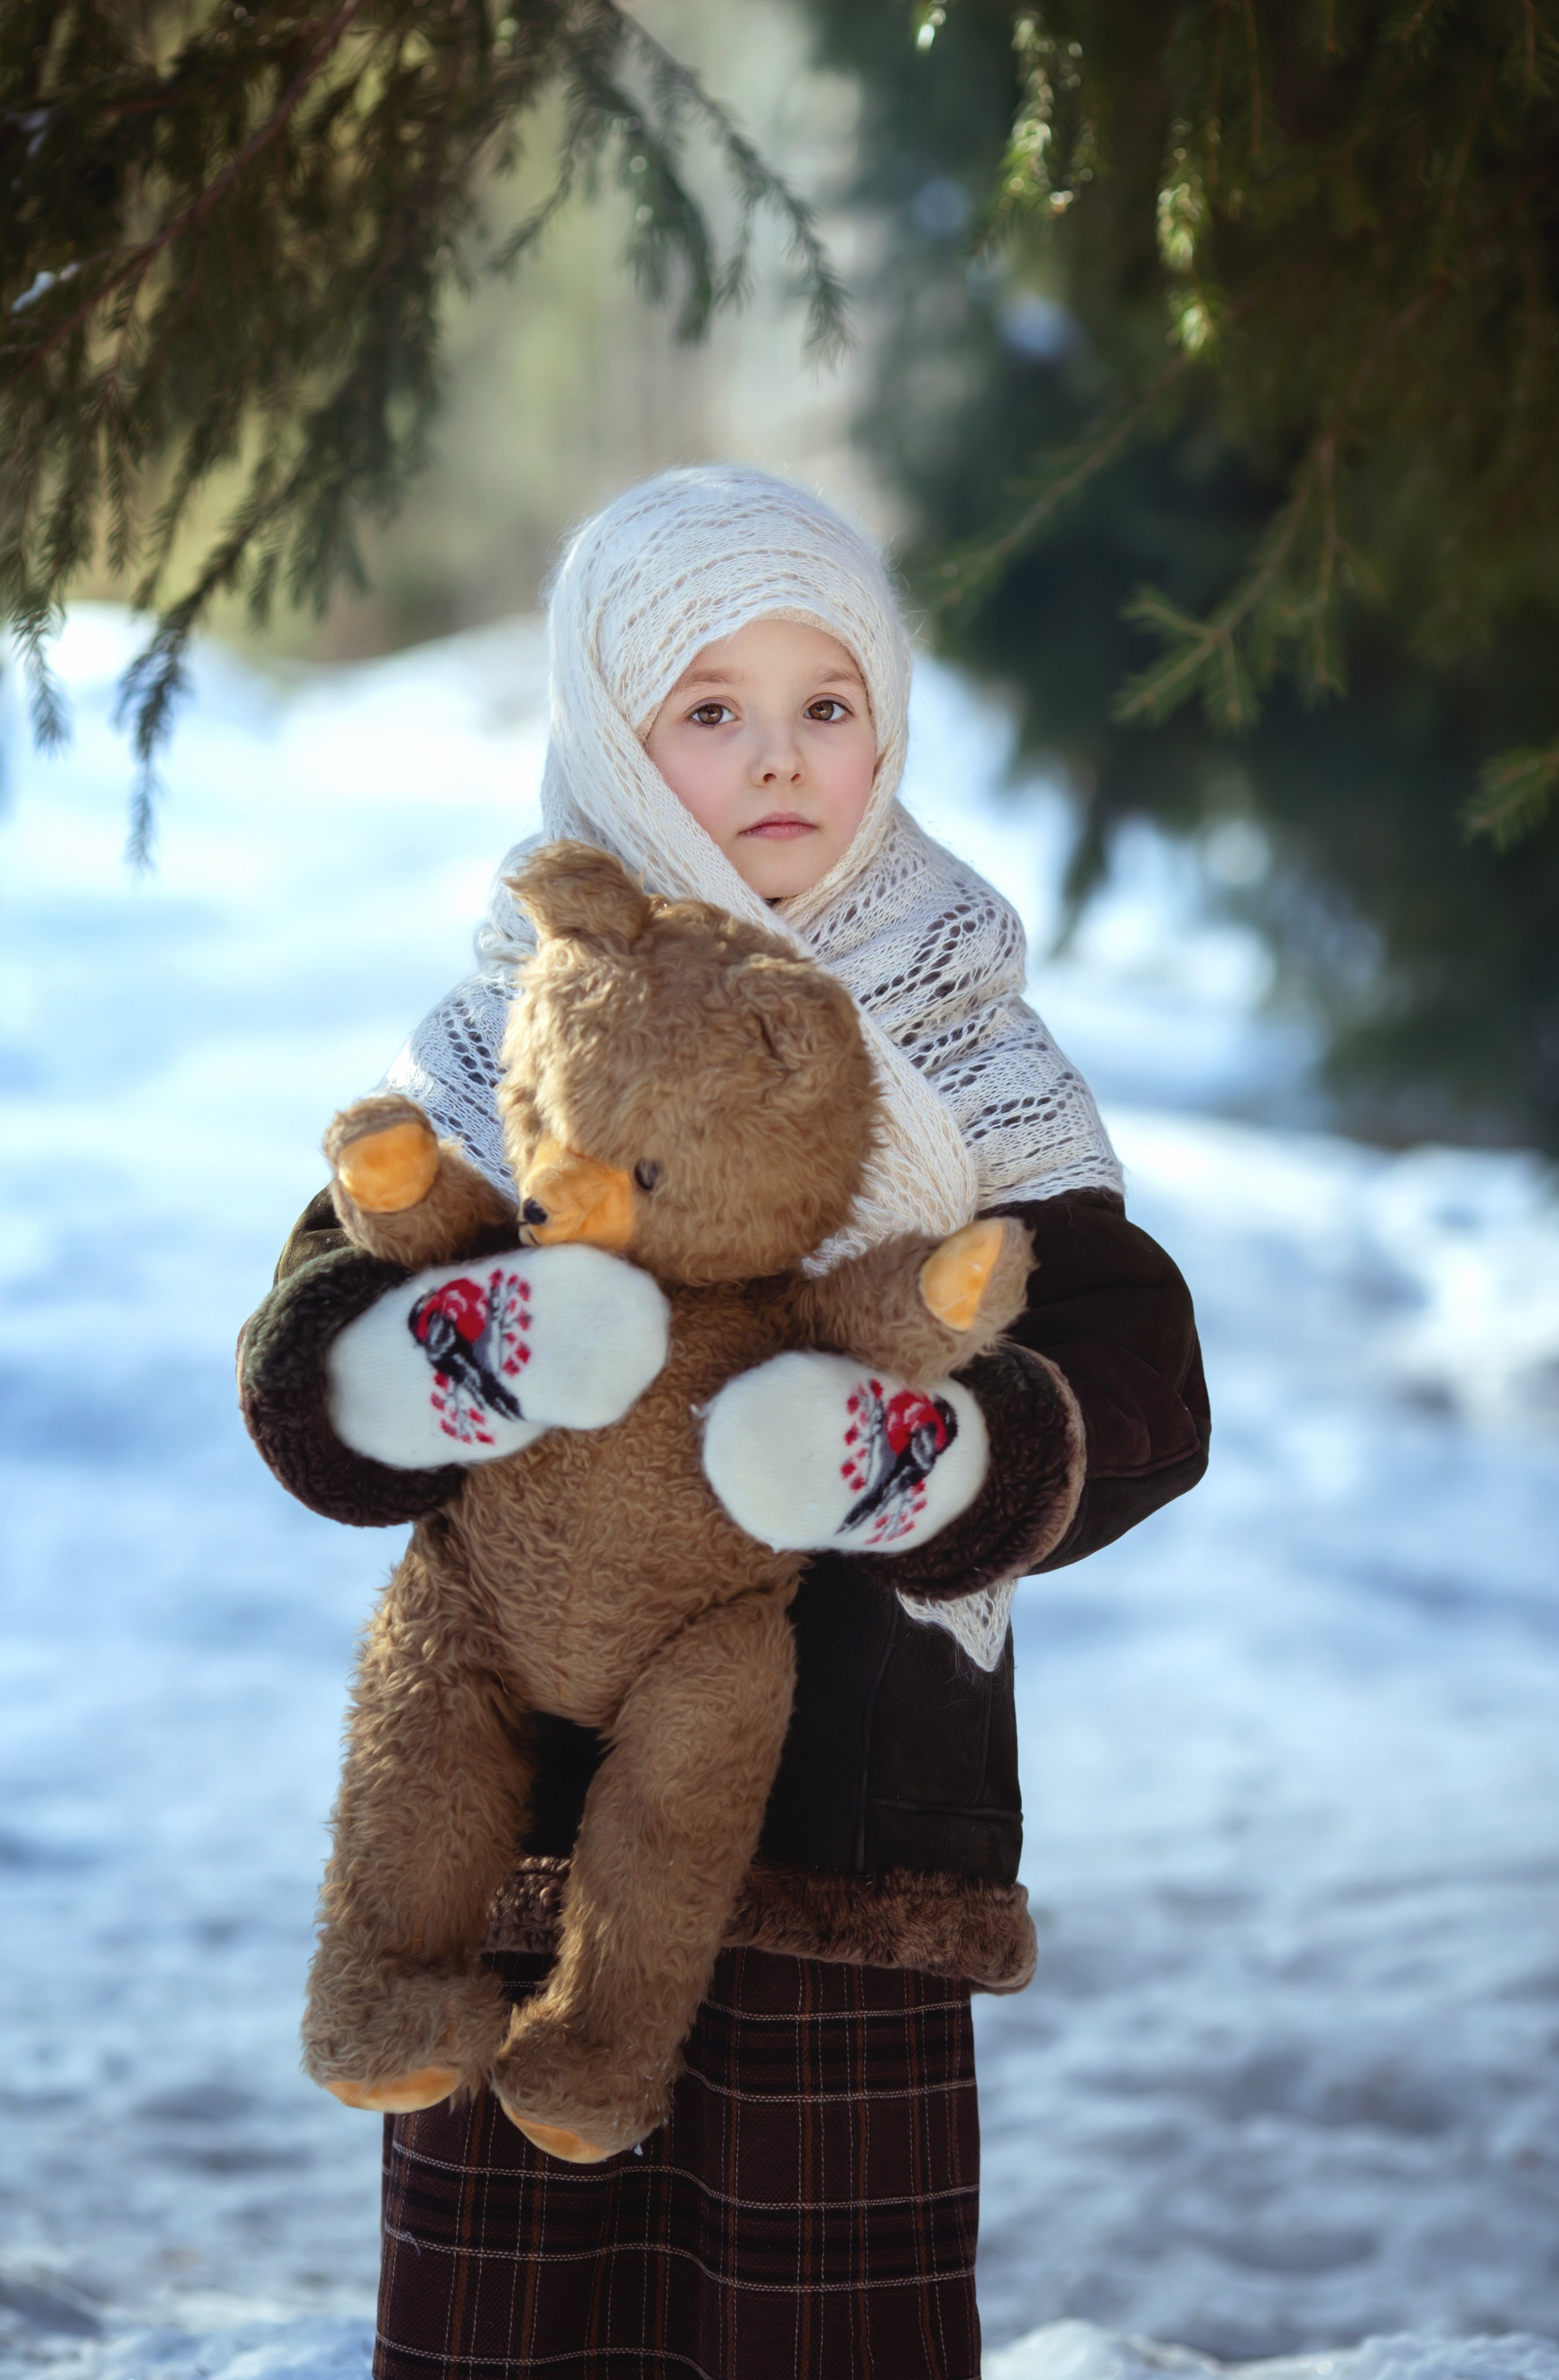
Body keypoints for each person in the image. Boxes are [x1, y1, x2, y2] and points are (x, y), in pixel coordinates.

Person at [238, 465, 1210, 2379]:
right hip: (516, 1798)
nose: (780, 761)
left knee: (812, 2301)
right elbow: (311, 1334)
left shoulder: (961, 1033)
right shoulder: (512, 1024)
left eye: (826, 707)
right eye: (710, 711)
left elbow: (1142, 1374)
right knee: (518, 2282)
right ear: (608, 729)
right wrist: (460, 1353)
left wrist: (936, 1459)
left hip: (848, 1796)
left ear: (890, 725)